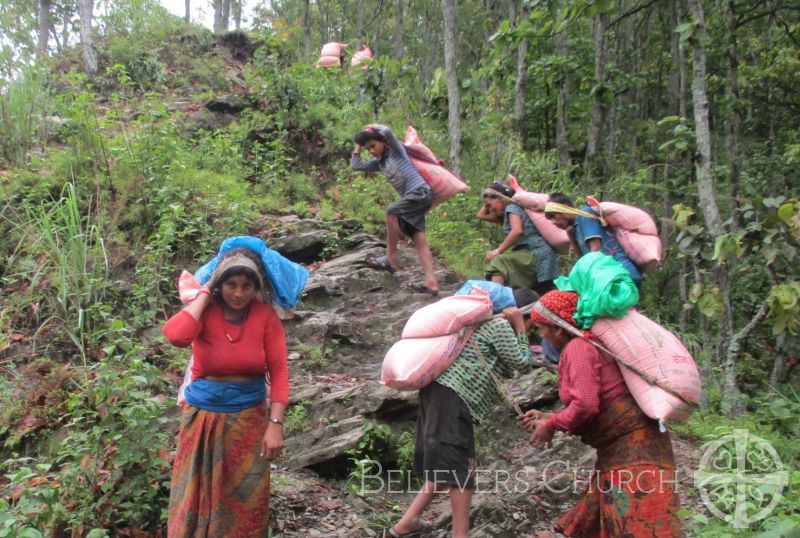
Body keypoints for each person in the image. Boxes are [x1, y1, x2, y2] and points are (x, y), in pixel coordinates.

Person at [521, 290, 682, 537]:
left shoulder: (578, 348)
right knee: (600, 518)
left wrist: (552, 425)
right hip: (624, 451)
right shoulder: (587, 345)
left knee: (638, 523)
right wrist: (549, 419)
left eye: (543, 328)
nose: (540, 334)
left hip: (635, 454)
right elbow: (591, 400)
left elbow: (585, 405)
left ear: (558, 329)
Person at [386, 288, 539, 538]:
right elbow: (522, 363)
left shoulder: (480, 326)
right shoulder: (499, 327)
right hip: (452, 399)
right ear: (523, 314)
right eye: (532, 324)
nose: (532, 331)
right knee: (461, 471)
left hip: (437, 395)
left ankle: (407, 523)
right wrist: (521, 329)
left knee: (445, 465)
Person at [163, 248, 289, 537]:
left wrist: (275, 425)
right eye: (231, 285)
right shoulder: (205, 311)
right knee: (192, 494)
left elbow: (279, 372)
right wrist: (204, 295)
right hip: (201, 418)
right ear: (220, 285)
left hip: (247, 418)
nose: (239, 293)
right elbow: (176, 336)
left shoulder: (265, 316)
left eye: (247, 286)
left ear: (256, 288)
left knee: (245, 495)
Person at [351, 124, 440, 296]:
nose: (371, 151)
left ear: (383, 143)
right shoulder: (380, 163)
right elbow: (356, 165)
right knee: (418, 238)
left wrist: (371, 126)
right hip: (414, 198)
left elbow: (387, 131)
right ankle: (431, 282)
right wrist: (358, 145)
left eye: (373, 146)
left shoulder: (397, 152)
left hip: (420, 192)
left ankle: (391, 258)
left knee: (391, 211)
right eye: (367, 148)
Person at [477, 180, 559, 296]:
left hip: (535, 253)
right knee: (544, 292)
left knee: (498, 261)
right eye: (487, 206)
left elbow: (517, 231)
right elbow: (481, 215)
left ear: (499, 198)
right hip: (535, 254)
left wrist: (498, 250)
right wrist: (489, 199)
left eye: (489, 205)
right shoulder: (505, 214)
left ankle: (496, 299)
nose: (489, 209)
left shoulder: (512, 208)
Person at [544, 194, 643, 285]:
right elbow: (583, 259)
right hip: (611, 275)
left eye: (553, 216)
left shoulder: (585, 215)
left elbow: (596, 251)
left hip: (620, 273)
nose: (553, 222)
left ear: (566, 208)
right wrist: (571, 236)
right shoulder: (574, 228)